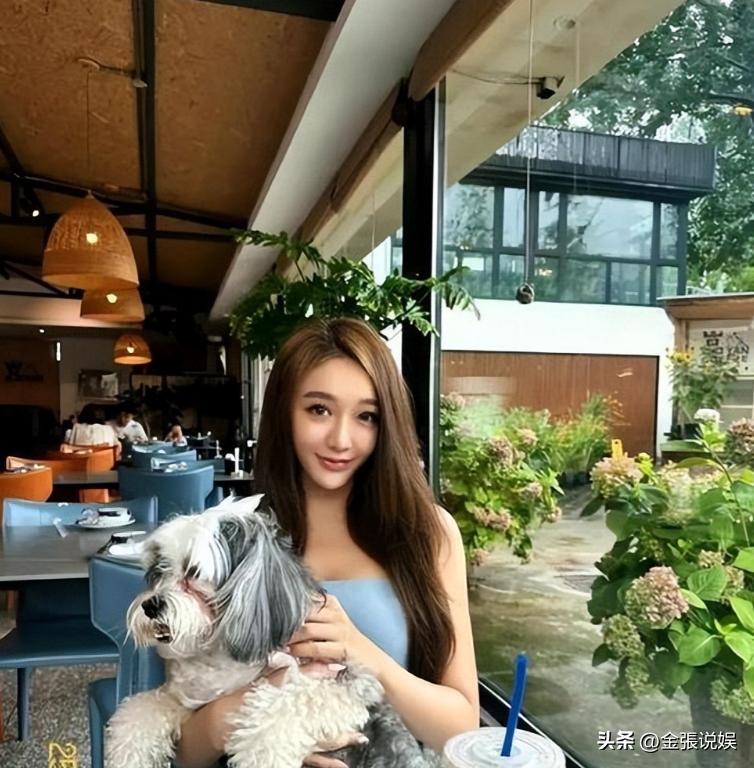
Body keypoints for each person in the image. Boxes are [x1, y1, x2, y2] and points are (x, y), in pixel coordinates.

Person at [174, 318, 479, 768]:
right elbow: (184, 753)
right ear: (284, 412)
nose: (340, 439)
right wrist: (261, 728)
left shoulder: (429, 534)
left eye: (366, 416)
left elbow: (462, 727)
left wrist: (358, 649)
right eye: (319, 409)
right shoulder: (234, 540)